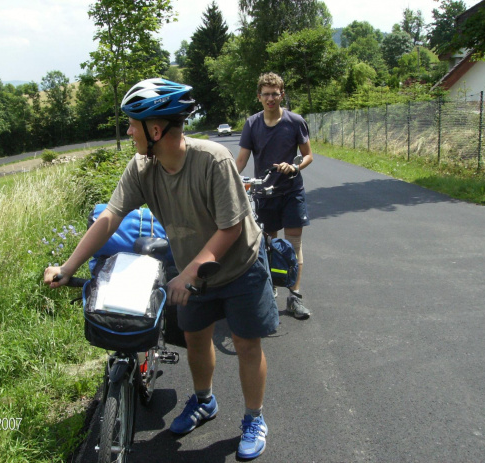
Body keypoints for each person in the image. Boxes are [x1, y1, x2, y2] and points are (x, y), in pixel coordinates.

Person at [43, 78, 278, 460]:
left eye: (133, 124)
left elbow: (231, 227)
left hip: (239, 266)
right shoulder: (142, 168)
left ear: (156, 129)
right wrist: (69, 266)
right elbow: (109, 219)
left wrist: (188, 274)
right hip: (191, 267)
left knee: (246, 344)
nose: (129, 131)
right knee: (197, 340)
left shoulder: (213, 160)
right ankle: (204, 401)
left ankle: (254, 418)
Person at [236, 72, 314, 321]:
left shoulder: (295, 121)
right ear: (259, 97)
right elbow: (241, 159)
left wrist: (295, 167)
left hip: (291, 191)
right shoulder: (252, 124)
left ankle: (295, 296)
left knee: (293, 245)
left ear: (282, 94)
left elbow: (308, 155)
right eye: (266, 94)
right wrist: (227, 178)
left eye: (275, 93)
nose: (271, 98)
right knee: (268, 246)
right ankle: (271, 289)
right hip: (264, 192)